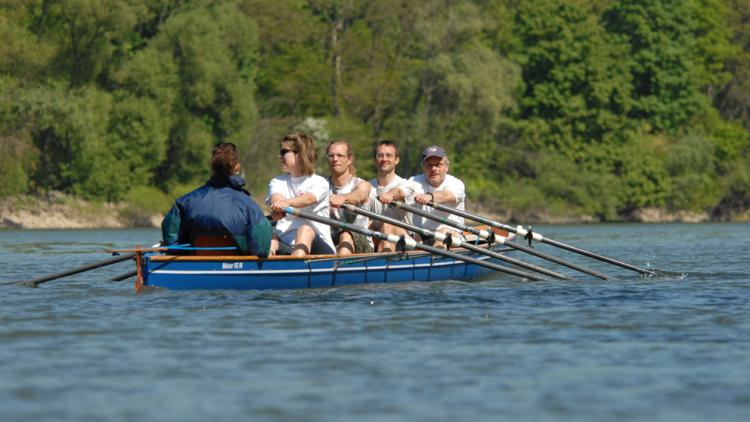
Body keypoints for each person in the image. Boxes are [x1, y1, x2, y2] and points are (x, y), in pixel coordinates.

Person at [161, 142, 272, 256]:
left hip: (196, 265)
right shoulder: (249, 205)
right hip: (236, 267)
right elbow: (261, 250)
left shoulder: (183, 202)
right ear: (237, 167)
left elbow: (172, 244)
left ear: (213, 167)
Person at [266, 133, 336, 256]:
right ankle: (268, 268)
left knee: (304, 229)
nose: (279, 156)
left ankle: (294, 268)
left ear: (299, 155)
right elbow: (276, 197)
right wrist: (278, 204)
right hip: (286, 243)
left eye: (283, 152)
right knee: (267, 235)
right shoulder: (277, 181)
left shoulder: (320, 182)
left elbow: (309, 198)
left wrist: (287, 203)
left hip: (319, 247)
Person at [409, 145, 466, 248]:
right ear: (423, 167)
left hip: (451, 236)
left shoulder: (456, 183)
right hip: (421, 236)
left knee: (443, 233)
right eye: (429, 165)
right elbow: (404, 192)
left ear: (447, 167)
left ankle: (435, 258)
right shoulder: (413, 181)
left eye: (438, 165)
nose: (433, 169)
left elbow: (446, 196)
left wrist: (429, 196)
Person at [366, 140, 415, 252]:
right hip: (376, 237)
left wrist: (390, 195)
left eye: (388, 155)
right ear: (375, 160)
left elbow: (400, 192)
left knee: (387, 224)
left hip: (405, 241)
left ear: (396, 159)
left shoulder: (406, 184)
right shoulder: (367, 186)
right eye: (380, 156)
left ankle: (381, 264)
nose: (384, 159)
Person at [326, 139, 374, 255]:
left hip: (360, 245)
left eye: (340, 155)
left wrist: (343, 198)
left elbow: (360, 195)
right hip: (329, 242)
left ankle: (339, 270)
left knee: (346, 234)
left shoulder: (361, 184)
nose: (335, 159)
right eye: (331, 156)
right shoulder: (321, 186)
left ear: (349, 159)